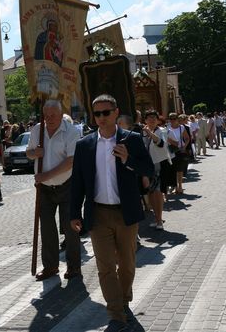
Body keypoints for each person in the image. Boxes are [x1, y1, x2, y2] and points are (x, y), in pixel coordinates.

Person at [70, 94, 154, 332]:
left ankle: (124, 300)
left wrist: (128, 160)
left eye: (106, 113)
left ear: (116, 113)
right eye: (97, 114)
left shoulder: (133, 139)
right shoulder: (84, 145)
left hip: (125, 212)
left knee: (127, 265)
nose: (102, 118)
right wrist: (74, 213)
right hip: (98, 215)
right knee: (105, 267)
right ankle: (116, 313)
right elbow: (77, 182)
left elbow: (148, 169)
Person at [26, 100, 82, 281]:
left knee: (70, 227)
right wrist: (35, 153)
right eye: (46, 116)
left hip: (67, 185)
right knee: (47, 229)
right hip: (44, 189)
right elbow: (28, 152)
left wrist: (46, 175)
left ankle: (74, 267)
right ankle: (51, 266)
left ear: (60, 114)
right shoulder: (37, 130)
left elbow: (71, 161)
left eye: (53, 116)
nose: (49, 119)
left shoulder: (71, 131)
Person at [142, 109, 170, 230]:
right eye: (149, 118)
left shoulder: (162, 130)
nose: (152, 120)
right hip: (147, 166)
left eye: (154, 117)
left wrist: (150, 133)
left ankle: (159, 220)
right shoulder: (142, 132)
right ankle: (156, 218)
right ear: (145, 120)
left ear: (158, 120)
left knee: (158, 193)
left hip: (159, 165)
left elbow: (161, 143)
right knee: (151, 193)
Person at [167, 113, 190, 195]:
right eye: (171, 119)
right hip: (169, 151)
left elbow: (187, 138)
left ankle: (179, 187)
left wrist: (184, 146)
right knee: (172, 169)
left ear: (177, 119)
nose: (172, 120)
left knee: (179, 170)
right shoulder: (167, 128)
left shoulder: (181, 127)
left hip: (179, 150)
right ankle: (174, 186)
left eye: (174, 118)